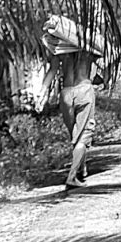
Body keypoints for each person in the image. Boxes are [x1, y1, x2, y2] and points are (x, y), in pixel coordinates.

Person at [39, 50, 100, 190]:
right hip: (84, 90)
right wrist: (106, 80)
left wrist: (42, 93)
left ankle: (81, 167)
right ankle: (72, 177)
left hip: (66, 92)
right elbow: (106, 63)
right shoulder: (88, 47)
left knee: (74, 134)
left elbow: (53, 69)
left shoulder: (61, 48)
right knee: (83, 136)